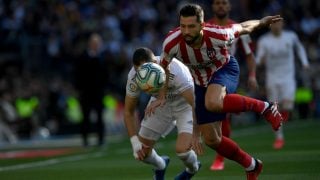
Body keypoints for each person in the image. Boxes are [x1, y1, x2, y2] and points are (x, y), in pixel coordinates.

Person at [158, 4, 283, 179]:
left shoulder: (218, 34)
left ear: (202, 25)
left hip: (224, 70)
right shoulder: (172, 43)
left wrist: (262, 22)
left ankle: (265, 107)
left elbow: (243, 27)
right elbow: (163, 68)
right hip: (200, 82)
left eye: (191, 26)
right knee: (212, 139)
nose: (186, 31)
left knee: (213, 102)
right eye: (183, 26)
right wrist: (162, 94)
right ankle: (251, 165)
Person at [124, 47, 201, 180]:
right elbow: (128, 111)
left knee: (182, 151)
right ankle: (161, 165)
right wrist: (134, 141)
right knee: (142, 153)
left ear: (155, 63)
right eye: (139, 71)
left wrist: (196, 133)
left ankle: (192, 169)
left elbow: (195, 104)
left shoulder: (176, 71)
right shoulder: (134, 75)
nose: (142, 76)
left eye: (145, 71)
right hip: (159, 105)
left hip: (184, 105)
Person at [206, 0, 259, 171]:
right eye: (217, 3)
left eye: (224, 3)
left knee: (222, 115)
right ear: (213, 7)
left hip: (226, 75)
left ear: (229, 7)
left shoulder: (238, 28)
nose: (220, 6)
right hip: (205, 76)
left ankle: (220, 157)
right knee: (211, 118)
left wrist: (252, 75)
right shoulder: (204, 27)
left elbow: (250, 55)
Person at [256, 20, 310, 149]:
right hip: (272, 78)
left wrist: (305, 62)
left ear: (282, 24)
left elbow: (300, 48)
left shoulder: (291, 36)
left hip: (288, 77)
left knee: (287, 105)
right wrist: (258, 62)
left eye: (278, 23)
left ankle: (283, 117)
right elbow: (259, 57)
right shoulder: (264, 40)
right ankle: (279, 138)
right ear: (270, 25)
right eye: (273, 23)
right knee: (274, 109)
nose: (276, 25)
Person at [74, 33, 108, 147]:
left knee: (99, 116)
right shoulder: (82, 57)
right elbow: (78, 74)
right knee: (85, 117)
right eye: (95, 43)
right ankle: (85, 140)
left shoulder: (102, 57)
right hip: (86, 92)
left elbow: (105, 74)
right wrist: (79, 89)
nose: (97, 45)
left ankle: (101, 139)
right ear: (90, 44)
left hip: (98, 92)